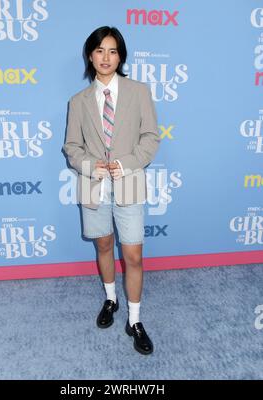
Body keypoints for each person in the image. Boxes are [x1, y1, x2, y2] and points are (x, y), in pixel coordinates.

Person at [63, 26, 160, 355]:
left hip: (129, 182)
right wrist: (91, 165)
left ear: (121, 56)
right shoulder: (77, 102)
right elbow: (72, 148)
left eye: (113, 51)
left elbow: (151, 138)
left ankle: (135, 320)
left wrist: (127, 163)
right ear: (90, 56)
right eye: (100, 51)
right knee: (104, 245)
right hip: (94, 187)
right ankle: (110, 300)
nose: (106, 57)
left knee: (133, 255)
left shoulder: (138, 91)